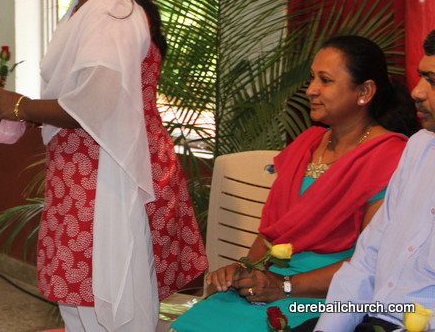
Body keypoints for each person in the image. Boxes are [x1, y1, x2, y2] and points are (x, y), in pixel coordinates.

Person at [0, 0, 208, 332]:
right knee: (83, 297)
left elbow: (92, 103)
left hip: (111, 172)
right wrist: (26, 110)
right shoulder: (87, 8)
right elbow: (82, 96)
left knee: (110, 299)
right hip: (85, 171)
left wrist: (22, 107)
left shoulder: (113, 11)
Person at [169, 35, 420, 332]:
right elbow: (272, 233)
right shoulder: (307, 143)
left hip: (330, 298)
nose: (311, 90)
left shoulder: (391, 157)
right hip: (269, 285)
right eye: (312, 78)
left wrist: (285, 285)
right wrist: (244, 269)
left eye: (325, 80)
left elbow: (372, 263)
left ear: (364, 91)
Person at [313, 30, 435, 332]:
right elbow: (367, 259)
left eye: (432, 81)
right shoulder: (420, 147)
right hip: (371, 318)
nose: (417, 92)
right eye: (421, 77)